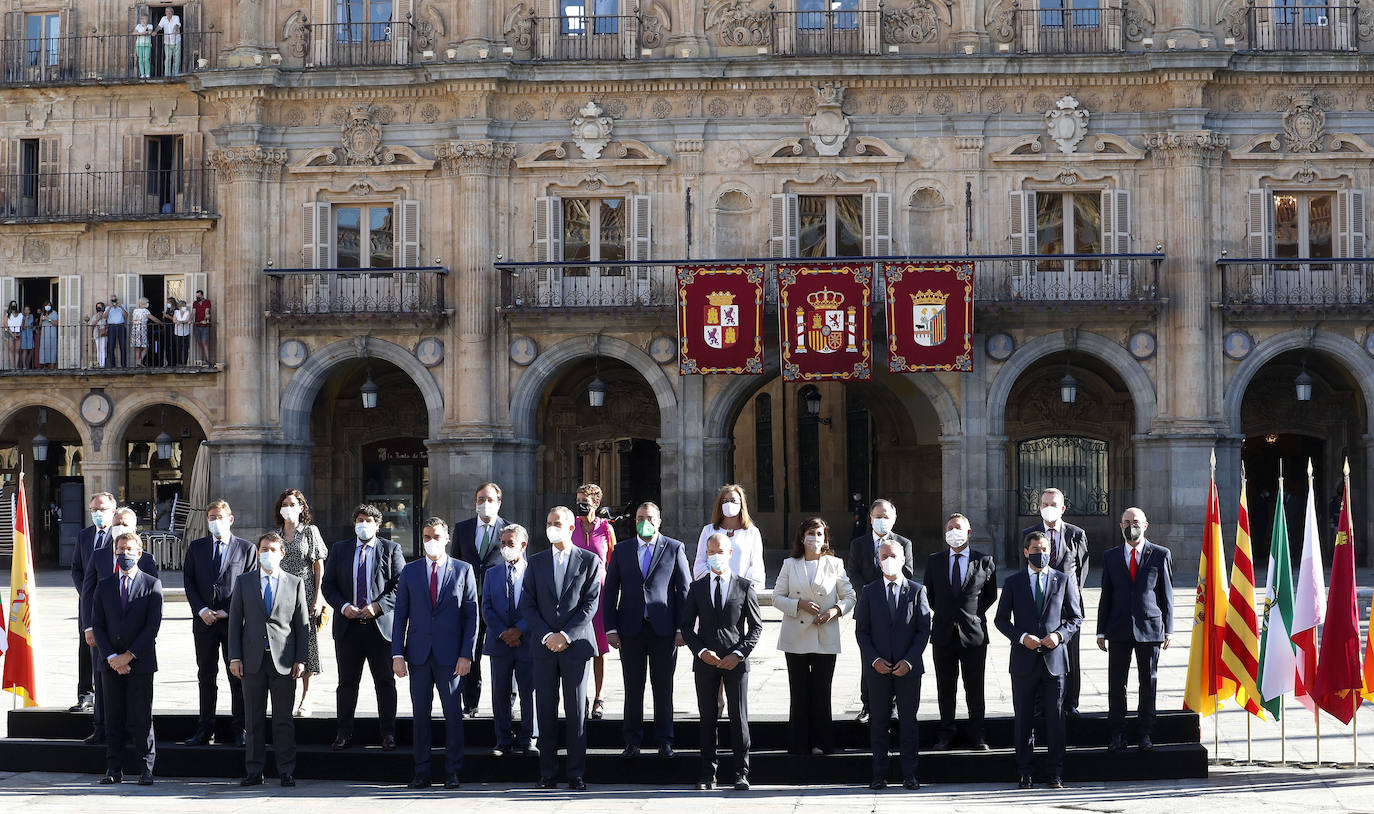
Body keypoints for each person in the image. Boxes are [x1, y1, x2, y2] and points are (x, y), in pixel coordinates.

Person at [519, 506, 601, 791]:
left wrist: (565, 635)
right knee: (545, 709)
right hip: (543, 648)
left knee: (576, 711)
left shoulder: (589, 561)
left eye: (558, 523)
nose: (552, 527)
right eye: (549, 522)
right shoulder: (537, 561)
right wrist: (546, 635)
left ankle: (576, 773)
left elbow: (590, 604)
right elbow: (527, 603)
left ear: (570, 528)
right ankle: (548, 772)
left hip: (576, 646)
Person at [392, 518, 478, 790]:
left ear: (447, 538)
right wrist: (397, 654)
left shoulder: (463, 570)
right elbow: (400, 615)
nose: (431, 541)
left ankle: (452, 771)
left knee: (453, 714)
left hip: (450, 657)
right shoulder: (410, 571)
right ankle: (422, 771)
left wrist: (466, 654)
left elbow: (471, 616)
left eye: (437, 536)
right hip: (418, 655)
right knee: (421, 715)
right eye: (427, 536)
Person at [995, 531, 1083, 790]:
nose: (1040, 553)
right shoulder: (1013, 582)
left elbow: (1075, 618)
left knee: (1055, 719)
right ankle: (1025, 770)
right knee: (1023, 718)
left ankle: (1055, 771)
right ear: (1026, 551)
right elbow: (1001, 620)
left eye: (1044, 548)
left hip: (1054, 661)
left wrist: (1059, 636)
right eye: (1035, 548)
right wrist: (1021, 637)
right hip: (1024, 661)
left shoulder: (1063, 580)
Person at [604, 501, 691, 758]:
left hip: (663, 629)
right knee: (633, 687)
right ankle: (632, 740)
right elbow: (610, 592)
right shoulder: (622, 550)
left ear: (659, 521)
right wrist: (610, 628)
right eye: (641, 517)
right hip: (630, 629)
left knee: (663, 687)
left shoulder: (674, 548)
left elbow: (683, 591)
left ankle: (665, 740)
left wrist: (681, 628)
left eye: (650, 517)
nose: (645, 522)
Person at [321, 504, 406, 751]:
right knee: (347, 683)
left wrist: (378, 606)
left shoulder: (391, 549)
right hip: (348, 627)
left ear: (378, 525)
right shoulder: (340, 549)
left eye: (369, 520)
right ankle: (343, 732)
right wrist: (343, 605)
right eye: (360, 519)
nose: (364, 524)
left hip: (379, 628)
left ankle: (388, 733)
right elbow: (329, 585)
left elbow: (400, 585)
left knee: (385, 682)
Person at [682, 532, 762, 791]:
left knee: (739, 717)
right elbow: (686, 627)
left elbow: (755, 627)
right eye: (710, 552)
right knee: (708, 718)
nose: (715, 556)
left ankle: (741, 772)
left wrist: (739, 654)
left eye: (720, 552)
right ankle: (708, 773)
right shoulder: (698, 587)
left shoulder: (744, 586)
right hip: (706, 661)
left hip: (735, 661)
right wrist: (701, 651)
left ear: (730, 554)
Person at [228, 533, 309, 788]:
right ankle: (254, 770)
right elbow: (234, 623)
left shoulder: (294, 583)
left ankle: (286, 770)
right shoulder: (244, 582)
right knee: (253, 719)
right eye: (264, 549)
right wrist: (234, 657)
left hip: (283, 661)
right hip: (252, 660)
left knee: (283, 719)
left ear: (282, 553)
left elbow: (302, 625)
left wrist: (300, 659)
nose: (268, 553)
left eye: (273, 549)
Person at [772, 517, 856, 755]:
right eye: (811, 533)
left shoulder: (835, 564)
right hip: (795, 636)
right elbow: (777, 597)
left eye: (820, 534)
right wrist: (799, 603)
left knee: (822, 692)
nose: (815, 539)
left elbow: (849, 597)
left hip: (824, 634)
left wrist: (834, 611)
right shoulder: (790, 564)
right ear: (802, 537)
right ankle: (798, 742)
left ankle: (822, 742)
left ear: (825, 538)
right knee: (798, 691)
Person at [854, 540, 931, 791]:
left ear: (903, 560)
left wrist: (909, 661)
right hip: (878, 671)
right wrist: (874, 660)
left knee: (908, 723)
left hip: (908, 670)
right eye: (884, 555)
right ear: (878, 560)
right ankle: (879, 774)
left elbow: (923, 630)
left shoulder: (917, 591)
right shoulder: (869, 591)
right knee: (879, 724)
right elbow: (862, 632)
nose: (888, 559)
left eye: (893, 555)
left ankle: (910, 773)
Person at [1098, 507, 1174, 752]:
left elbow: (1166, 595)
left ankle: (1145, 733)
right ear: (1120, 526)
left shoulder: (1160, 554)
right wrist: (1101, 631)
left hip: (1149, 628)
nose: (1131, 525)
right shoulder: (1110, 556)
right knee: (1116, 683)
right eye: (1127, 522)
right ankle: (1117, 733)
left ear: (1146, 525)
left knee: (1147, 682)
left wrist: (1169, 629)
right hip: (1118, 628)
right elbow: (1106, 596)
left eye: (1136, 521)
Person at [181, 500, 256, 747]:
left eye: (220, 516)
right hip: (204, 622)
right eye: (211, 517)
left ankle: (240, 727)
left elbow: (249, 584)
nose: (215, 521)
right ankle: (205, 727)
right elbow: (189, 581)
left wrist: (228, 611)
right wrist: (201, 609)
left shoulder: (246, 549)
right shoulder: (196, 547)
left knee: (237, 674)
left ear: (230, 519)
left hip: (233, 622)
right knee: (206, 675)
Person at [81, 506, 157, 748]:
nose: (119, 527)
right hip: (104, 630)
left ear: (134, 527)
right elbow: (88, 590)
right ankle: (101, 727)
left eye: (124, 523)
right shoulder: (100, 554)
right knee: (103, 679)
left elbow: (152, 597)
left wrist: (131, 652)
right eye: (116, 523)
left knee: (136, 692)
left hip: (135, 638)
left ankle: (132, 735)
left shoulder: (146, 559)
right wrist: (88, 626)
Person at [90, 532, 163, 786]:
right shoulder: (105, 584)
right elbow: (97, 625)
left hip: (139, 663)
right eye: (120, 549)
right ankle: (114, 768)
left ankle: (146, 768)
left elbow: (152, 627)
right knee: (114, 717)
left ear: (140, 553)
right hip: (110, 664)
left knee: (141, 716)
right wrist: (112, 657)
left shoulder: (152, 584)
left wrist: (128, 657)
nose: (124, 554)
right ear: (114, 553)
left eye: (129, 549)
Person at [924, 513, 997, 750]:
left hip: (973, 635)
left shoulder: (984, 560)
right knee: (946, 688)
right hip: (943, 635)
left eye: (958, 528)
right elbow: (931, 596)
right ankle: (946, 732)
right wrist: (949, 615)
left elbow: (989, 596)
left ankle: (977, 734)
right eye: (949, 528)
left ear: (968, 533)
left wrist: (969, 616)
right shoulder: (935, 561)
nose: (953, 532)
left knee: (975, 688)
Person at [1021, 487, 1090, 717]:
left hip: (1068, 608)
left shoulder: (1076, 534)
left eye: (1053, 504)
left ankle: (1071, 702)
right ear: (1039, 507)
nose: (1048, 508)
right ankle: (1041, 704)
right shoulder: (1030, 533)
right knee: (1040, 654)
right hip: (1040, 606)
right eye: (1044, 504)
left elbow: (1081, 570)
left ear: (1062, 508)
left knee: (1071, 656)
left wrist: (1071, 598)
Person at [847, 499, 915, 724]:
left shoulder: (904, 543)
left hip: (895, 610)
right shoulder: (859, 544)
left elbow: (908, 572)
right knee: (869, 658)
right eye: (878, 516)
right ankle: (867, 705)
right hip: (867, 609)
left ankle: (892, 706)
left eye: (886, 516)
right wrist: (871, 595)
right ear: (871, 518)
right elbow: (853, 573)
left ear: (894, 519)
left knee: (894, 657)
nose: (882, 520)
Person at [451, 482, 510, 716]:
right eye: (480, 499)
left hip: (499, 605)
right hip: (469, 603)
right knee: (469, 652)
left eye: (489, 499)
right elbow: (454, 564)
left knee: (504, 654)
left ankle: (506, 703)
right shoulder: (463, 528)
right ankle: (471, 702)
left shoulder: (510, 529)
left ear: (499, 503)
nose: (484, 504)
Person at [481, 525, 535, 757]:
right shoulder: (492, 573)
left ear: (522, 545)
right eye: (502, 543)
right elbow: (487, 607)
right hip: (500, 642)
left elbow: (538, 605)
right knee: (500, 692)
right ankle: (502, 739)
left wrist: (519, 630)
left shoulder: (534, 571)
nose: (505, 548)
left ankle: (529, 737)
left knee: (529, 692)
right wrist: (504, 632)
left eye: (510, 544)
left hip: (528, 642)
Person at [274, 488, 328, 716]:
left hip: (305, 594)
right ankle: (286, 697)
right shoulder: (275, 535)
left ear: (301, 507)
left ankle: (306, 697)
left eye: (292, 504)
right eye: (284, 504)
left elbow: (318, 565)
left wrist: (318, 596)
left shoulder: (309, 532)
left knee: (307, 645)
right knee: (285, 645)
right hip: (281, 596)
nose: (288, 508)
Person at [69, 492, 117, 721]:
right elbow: (77, 568)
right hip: (88, 603)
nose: (98, 514)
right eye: (94, 510)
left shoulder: (119, 536)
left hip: (112, 603)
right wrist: (85, 592)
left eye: (102, 509)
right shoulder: (84, 536)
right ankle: (86, 693)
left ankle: (108, 693)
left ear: (113, 511)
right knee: (85, 647)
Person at [570, 483, 615, 719]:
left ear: (596, 503)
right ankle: (579, 696)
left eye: (585, 500)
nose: (581, 504)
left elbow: (612, 562)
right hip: (574, 594)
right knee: (576, 646)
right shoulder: (571, 526)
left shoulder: (606, 529)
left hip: (600, 592)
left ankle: (599, 697)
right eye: (578, 499)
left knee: (599, 647)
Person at [693, 484, 765, 589]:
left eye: (733, 500)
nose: (729, 504)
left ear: (741, 504)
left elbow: (756, 565)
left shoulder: (751, 532)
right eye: (725, 501)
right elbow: (700, 562)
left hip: (740, 590)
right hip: (713, 588)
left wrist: (743, 586)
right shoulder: (708, 530)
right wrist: (713, 582)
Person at [130, 297, 161, 367]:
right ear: (144, 303)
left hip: (134, 330)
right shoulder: (145, 311)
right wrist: (161, 323)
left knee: (137, 348)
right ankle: (139, 361)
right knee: (145, 347)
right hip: (142, 330)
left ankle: (137, 363)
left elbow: (132, 320)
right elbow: (154, 319)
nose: (148, 304)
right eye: (147, 302)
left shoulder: (135, 311)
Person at [157, 7, 181, 76]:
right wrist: (155, 32)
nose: (168, 12)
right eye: (167, 11)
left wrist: (176, 30)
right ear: (165, 12)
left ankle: (175, 74)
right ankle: (167, 74)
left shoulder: (176, 17)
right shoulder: (163, 19)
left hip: (176, 40)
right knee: (167, 59)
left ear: (172, 12)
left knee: (176, 59)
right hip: (167, 42)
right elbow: (159, 26)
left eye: (170, 11)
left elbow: (177, 24)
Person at [105, 295, 127, 367]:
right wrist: (110, 307)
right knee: (111, 347)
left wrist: (120, 307)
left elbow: (126, 316)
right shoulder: (108, 308)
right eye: (112, 300)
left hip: (121, 326)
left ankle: (124, 365)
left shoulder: (122, 306)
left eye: (115, 300)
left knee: (123, 346)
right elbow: (104, 316)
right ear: (110, 301)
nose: (114, 301)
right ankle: (112, 366)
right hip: (111, 327)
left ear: (117, 300)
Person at [192, 289, 211, 364]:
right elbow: (193, 312)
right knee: (199, 343)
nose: (197, 297)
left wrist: (205, 320)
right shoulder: (195, 303)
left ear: (202, 295)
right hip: (197, 325)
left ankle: (208, 360)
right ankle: (201, 361)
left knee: (204, 342)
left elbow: (207, 312)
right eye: (197, 296)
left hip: (204, 325)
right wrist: (189, 320)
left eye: (199, 296)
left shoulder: (207, 302)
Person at [88, 302, 108, 368]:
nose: (98, 308)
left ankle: (102, 364)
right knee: (99, 349)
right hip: (97, 334)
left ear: (103, 307)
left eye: (100, 306)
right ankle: (99, 363)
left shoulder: (105, 315)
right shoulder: (95, 316)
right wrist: (97, 319)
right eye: (97, 307)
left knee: (103, 349)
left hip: (104, 334)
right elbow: (91, 324)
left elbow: (109, 323)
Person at [172, 297, 191, 366]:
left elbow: (188, 319)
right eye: (183, 306)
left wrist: (182, 322)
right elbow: (174, 320)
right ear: (180, 307)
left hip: (186, 332)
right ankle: (179, 362)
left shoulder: (187, 312)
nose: (185, 307)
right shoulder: (176, 312)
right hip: (178, 332)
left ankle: (185, 362)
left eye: (185, 306)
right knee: (178, 348)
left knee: (185, 348)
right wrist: (177, 321)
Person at [37, 301, 56, 369]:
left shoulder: (54, 313)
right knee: (45, 350)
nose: (48, 307)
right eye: (47, 305)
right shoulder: (43, 314)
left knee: (52, 349)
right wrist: (41, 320)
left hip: (52, 334)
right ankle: (45, 367)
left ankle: (52, 367)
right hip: (44, 335)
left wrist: (49, 319)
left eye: (49, 305)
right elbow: (40, 325)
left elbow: (56, 323)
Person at [19, 305, 33, 369]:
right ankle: (24, 366)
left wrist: (30, 325)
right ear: (24, 311)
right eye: (25, 310)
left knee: (31, 350)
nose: (27, 311)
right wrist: (26, 320)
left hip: (30, 334)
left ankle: (27, 364)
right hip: (24, 334)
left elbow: (31, 325)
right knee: (24, 350)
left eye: (28, 310)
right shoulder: (21, 316)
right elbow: (23, 327)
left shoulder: (31, 316)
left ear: (29, 311)